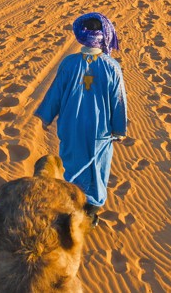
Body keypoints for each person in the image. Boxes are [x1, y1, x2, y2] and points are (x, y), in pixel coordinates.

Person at [35, 12, 128, 226]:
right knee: (97, 167)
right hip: (100, 129)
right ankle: (90, 212)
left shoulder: (69, 63)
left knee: (71, 163)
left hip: (71, 126)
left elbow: (55, 92)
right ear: (104, 36)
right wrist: (119, 129)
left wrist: (47, 117)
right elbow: (118, 100)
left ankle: (72, 205)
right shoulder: (112, 66)